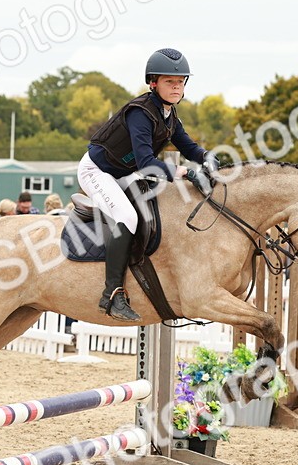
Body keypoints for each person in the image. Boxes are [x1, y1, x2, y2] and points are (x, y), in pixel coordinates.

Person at [78, 47, 214, 320]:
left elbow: (188, 147)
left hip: (122, 172)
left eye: (180, 82)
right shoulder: (140, 113)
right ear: (153, 83)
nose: (176, 87)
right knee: (127, 216)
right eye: (169, 81)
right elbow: (145, 162)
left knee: (157, 205)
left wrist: (208, 157)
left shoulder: (169, 115)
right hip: (97, 171)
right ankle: (112, 294)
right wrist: (186, 173)